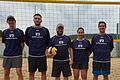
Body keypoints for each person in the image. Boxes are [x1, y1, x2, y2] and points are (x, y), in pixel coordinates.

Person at [25, 13, 50, 80]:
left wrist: (46, 49)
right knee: (31, 73)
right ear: (33, 19)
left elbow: (48, 42)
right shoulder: (28, 29)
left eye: (39, 18)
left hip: (42, 56)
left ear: (41, 20)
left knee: (43, 73)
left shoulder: (45, 30)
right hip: (32, 55)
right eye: (36, 18)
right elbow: (27, 41)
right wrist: (33, 47)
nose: (37, 20)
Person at [2, 15, 24, 80]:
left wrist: (20, 52)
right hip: (7, 54)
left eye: (12, 20)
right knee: (6, 73)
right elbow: (5, 43)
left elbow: (22, 44)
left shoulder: (20, 32)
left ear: (15, 21)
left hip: (17, 54)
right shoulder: (4, 32)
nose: (11, 21)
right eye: (9, 20)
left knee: (19, 72)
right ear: (7, 22)